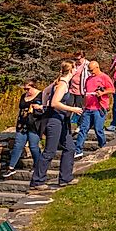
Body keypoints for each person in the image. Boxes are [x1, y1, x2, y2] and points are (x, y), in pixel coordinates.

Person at [30, 61, 83, 191]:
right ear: (71, 70)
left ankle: (65, 178)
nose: (76, 69)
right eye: (75, 67)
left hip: (62, 119)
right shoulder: (63, 84)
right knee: (50, 151)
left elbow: (45, 93)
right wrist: (72, 109)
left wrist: (44, 105)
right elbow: (54, 102)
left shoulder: (58, 82)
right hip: (54, 120)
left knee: (70, 147)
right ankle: (37, 181)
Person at [3, 79, 43, 178]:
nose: (26, 91)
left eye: (28, 89)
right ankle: (11, 167)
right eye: (25, 89)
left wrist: (39, 107)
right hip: (22, 124)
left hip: (34, 124)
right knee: (18, 145)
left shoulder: (41, 95)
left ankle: (38, 165)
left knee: (33, 146)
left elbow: (45, 107)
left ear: (34, 87)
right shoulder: (23, 96)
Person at [74, 61, 114, 159]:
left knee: (98, 129)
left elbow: (112, 89)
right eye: (89, 70)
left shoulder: (104, 77)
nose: (91, 72)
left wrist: (102, 92)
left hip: (99, 107)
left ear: (97, 67)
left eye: (92, 70)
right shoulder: (88, 79)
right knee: (83, 129)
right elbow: (86, 93)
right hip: (88, 108)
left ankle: (103, 146)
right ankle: (78, 150)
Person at [69, 51, 88, 130]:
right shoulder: (73, 65)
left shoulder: (87, 65)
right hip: (71, 90)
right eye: (75, 59)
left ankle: (80, 125)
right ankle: (68, 125)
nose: (77, 61)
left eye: (79, 59)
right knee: (68, 107)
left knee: (79, 108)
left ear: (83, 57)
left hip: (81, 91)